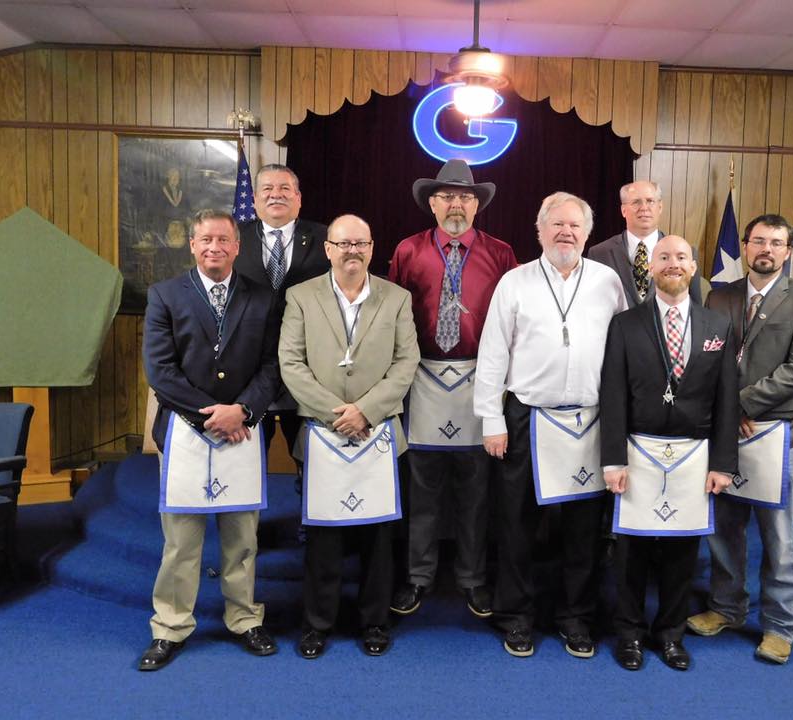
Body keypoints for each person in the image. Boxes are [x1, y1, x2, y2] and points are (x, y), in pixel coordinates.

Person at [474, 192, 626, 658]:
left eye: (575, 226)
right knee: (517, 525)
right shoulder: (515, 282)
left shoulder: (607, 282)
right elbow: (493, 351)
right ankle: (516, 616)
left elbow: (623, 352)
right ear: (539, 230)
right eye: (556, 224)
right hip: (527, 418)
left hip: (590, 421)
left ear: (587, 234)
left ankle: (576, 617)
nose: (566, 232)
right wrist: (491, 418)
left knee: (584, 530)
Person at [139, 209, 282, 671]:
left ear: (238, 246)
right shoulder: (164, 295)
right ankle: (170, 626)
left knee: (242, 540)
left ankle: (245, 618)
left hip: (244, 429)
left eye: (223, 239)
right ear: (193, 245)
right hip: (185, 431)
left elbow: (273, 366)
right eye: (206, 239)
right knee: (181, 543)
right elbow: (160, 371)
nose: (215, 247)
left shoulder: (263, 297)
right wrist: (212, 416)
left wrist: (242, 411)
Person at [687, 214, 793, 665]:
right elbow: (706, 358)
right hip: (726, 434)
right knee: (724, 530)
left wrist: (740, 405)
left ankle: (781, 626)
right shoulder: (720, 295)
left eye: (776, 243)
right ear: (745, 246)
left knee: (779, 537)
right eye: (759, 240)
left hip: (775, 434)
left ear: (788, 251)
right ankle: (726, 608)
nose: (766, 249)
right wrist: (726, 412)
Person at [279, 214, 420, 658]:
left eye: (360, 243)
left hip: (378, 432)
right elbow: (290, 363)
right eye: (343, 244)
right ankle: (318, 623)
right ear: (328, 249)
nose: (352, 251)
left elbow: (406, 362)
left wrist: (366, 411)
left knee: (379, 538)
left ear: (372, 248)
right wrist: (336, 413)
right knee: (324, 536)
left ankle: (374, 622)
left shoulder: (396, 298)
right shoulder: (301, 297)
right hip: (323, 433)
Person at [600, 234, 738, 672]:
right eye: (664, 257)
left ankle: (671, 635)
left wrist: (723, 464)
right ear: (651, 268)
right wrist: (613, 459)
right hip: (638, 453)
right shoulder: (625, 324)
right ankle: (629, 634)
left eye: (681, 257)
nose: (673, 264)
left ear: (693, 268)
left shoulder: (718, 326)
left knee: (682, 553)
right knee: (631, 553)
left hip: (693, 457)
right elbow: (612, 395)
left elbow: (727, 400)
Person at [388, 159, 517, 619]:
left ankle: (472, 577)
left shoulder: (501, 254)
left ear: (477, 204)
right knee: (421, 488)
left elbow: (513, 321)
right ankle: (418, 575)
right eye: (447, 196)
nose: (456, 204)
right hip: (422, 377)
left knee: (476, 490)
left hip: (479, 378)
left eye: (465, 197)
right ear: (432, 204)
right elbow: (391, 316)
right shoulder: (408, 250)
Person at [234, 163, 330, 463]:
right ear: (255, 199)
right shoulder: (234, 238)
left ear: (298, 198)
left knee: (311, 461)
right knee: (247, 461)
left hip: (309, 369)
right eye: (267, 188)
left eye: (285, 188)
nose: (276, 194)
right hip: (249, 372)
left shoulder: (326, 238)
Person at [588, 180, 702, 307]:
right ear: (623, 210)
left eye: (650, 201)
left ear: (660, 207)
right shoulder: (599, 254)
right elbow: (593, 304)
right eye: (636, 202)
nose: (644, 208)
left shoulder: (687, 253)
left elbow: (695, 309)